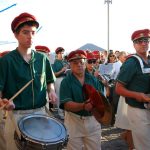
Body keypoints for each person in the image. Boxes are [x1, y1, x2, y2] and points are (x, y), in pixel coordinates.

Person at [0, 12, 57, 150]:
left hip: (40, 113)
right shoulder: (6, 61)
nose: (30, 36)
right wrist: (3, 102)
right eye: (25, 32)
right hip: (17, 115)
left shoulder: (42, 59)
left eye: (33, 32)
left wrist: (52, 91)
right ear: (16, 35)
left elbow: (49, 80)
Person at [60, 50, 103, 150]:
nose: (79, 65)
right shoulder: (66, 82)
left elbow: (101, 98)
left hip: (93, 120)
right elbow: (67, 105)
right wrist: (83, 106)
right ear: (70, 64)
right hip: (73, 121)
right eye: (75, 62)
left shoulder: (93, 79)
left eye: (82, 62)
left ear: (85, 62)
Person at [115, 29, 150, 150]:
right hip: (138, 110)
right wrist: (138, 95)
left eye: (146, 40)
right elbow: (118, 89)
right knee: (144, 146)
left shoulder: (148, 61)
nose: (144, 43)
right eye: (140, 41)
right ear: (134, 44)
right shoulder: (131, 62)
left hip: (147, 108)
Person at [52, 47, 68, 119]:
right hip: (58, 80)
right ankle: (61, 113)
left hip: (65, 79)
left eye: (62, 53)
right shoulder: (54, 62)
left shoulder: (65, 62)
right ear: (57, 54)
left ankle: (66, 113)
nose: (61, 55)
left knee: (66, 96)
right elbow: (54, 74)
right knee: (59, 96)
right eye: (60, 53)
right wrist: (62, 71)